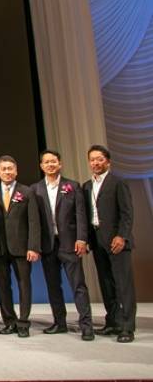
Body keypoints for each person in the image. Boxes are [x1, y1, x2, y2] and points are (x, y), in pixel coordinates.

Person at [31, 150, 94, 341]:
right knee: (53, 286)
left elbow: (81, 215)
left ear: (60, 164)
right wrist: (35, 245)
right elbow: (34, 221)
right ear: (41, 166)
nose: (50, 165)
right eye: (46, 162)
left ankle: (86, 325)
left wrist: (82, 239)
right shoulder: (35, 189)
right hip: (48, 245)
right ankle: (60, 322)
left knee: (78, 285)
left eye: (53, 162)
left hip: (70, 243)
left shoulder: (72, 186)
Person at [83, 144, 136, 343]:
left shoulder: (118, 182)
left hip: (116, 241)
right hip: (97, 241)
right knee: (106, 283)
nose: (96, 163)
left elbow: (127, 213)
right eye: (92, 160)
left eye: (100, 159)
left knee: (123, 285)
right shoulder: (87, 186)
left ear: (108, 161)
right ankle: (113, 322)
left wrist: (122, 236)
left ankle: (127, 327)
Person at [0, 155, 40, 338]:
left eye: (10, 168)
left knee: (24, 285)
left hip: (22, 247)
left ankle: (23, 322)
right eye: (4, 169)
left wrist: (33, 246)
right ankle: (9, 321)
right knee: (3, 287)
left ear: (16, 171)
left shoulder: (27, 192)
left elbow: (34, 221)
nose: (7, 172)